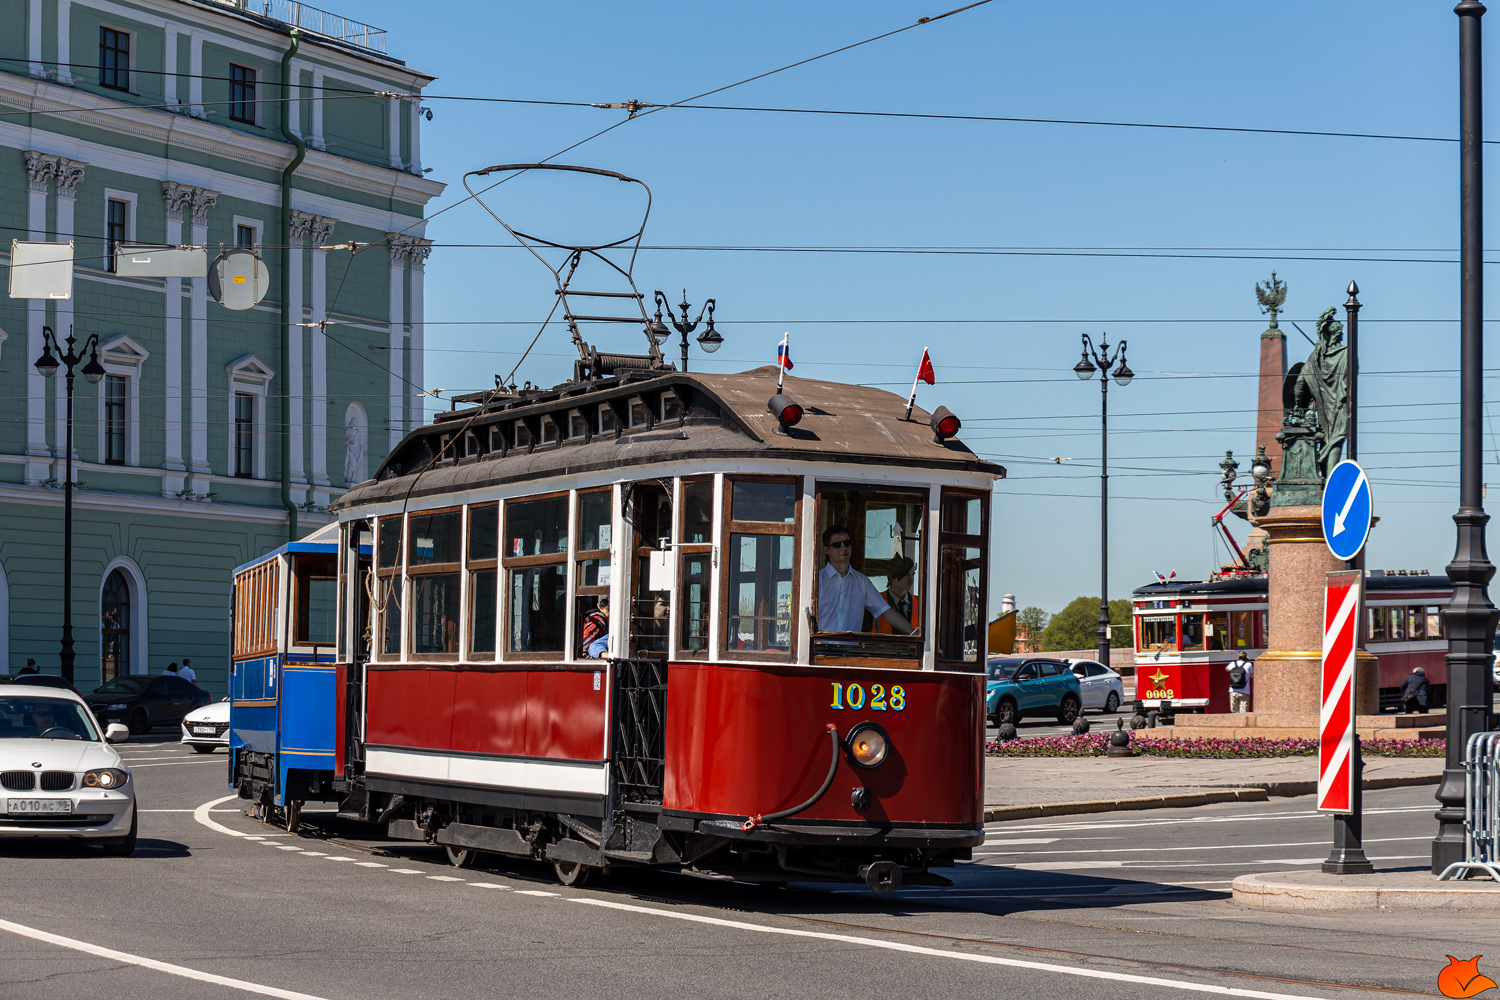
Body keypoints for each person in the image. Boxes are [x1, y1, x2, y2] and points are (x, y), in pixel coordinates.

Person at [817, 524, 913, 634]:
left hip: (851, 645)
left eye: (847, 543)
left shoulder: (862, 582)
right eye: (837, 545)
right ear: (826, 549)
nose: (843, 548)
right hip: (820, 644)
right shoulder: (817, 580)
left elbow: (888, 613)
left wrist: (915, 635)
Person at [873, 556, 920, 635]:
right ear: (892, 575)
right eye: (907, 575)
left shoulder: (919, 603)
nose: (911, 579)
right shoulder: (876, 601)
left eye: (913, 575)